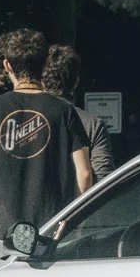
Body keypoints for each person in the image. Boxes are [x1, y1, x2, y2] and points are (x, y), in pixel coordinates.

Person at [0, 28, 92, 259]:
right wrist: (74, 217)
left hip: (4, 228)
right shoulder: (64, 110)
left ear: (7, 65)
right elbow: (84, 173)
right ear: (45, 64)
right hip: (54, 227)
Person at [42, 45, 115, 180]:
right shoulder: (92, 124)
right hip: (81, 200)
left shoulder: (28, 121)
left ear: (42, 82)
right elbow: (103, 178)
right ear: (76, 81)